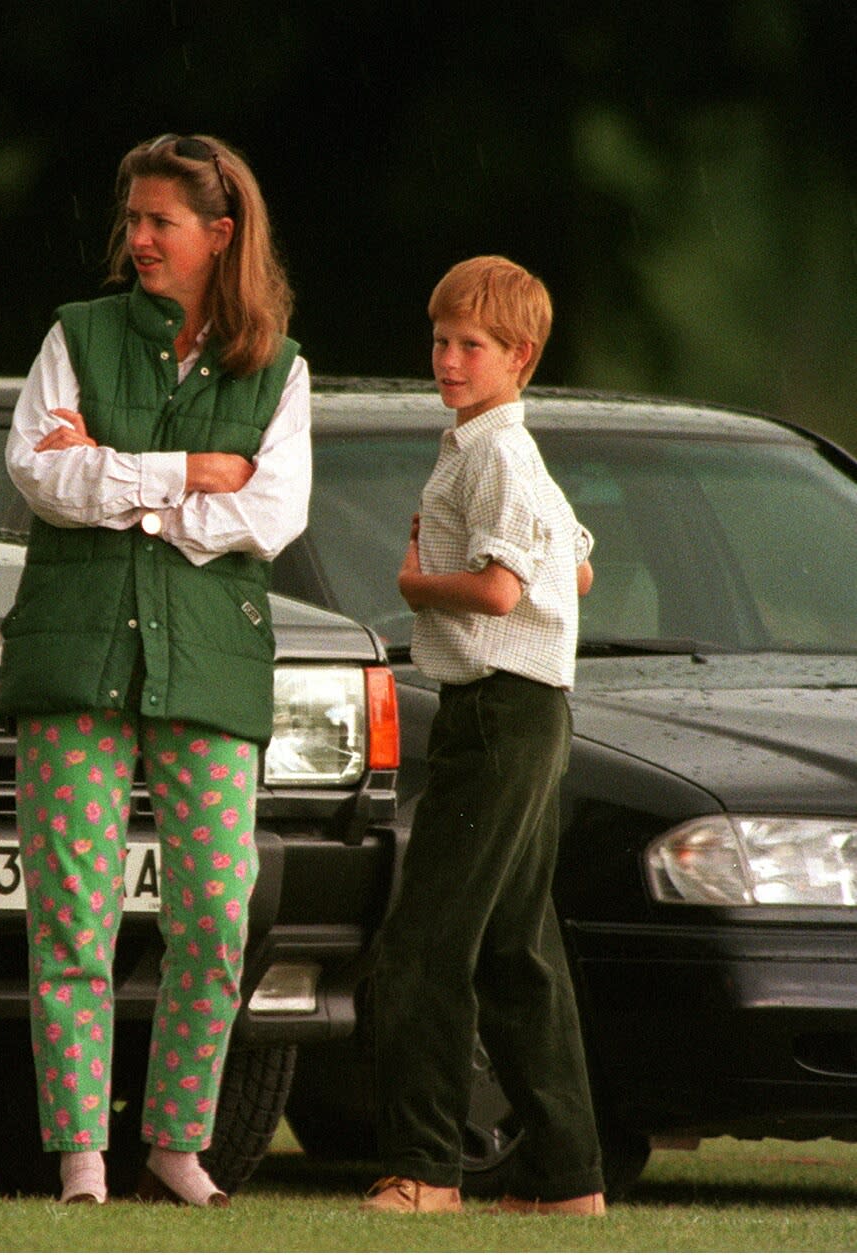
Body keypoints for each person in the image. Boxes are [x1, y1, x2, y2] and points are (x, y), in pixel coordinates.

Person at [0, 133, 311, 1207]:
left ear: (220, 235)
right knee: (71, 918)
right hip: (75, 657)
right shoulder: (76, 335)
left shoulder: (280, 366)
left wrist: (115, 481)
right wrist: (185, 476)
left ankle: (179, 1144)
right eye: (130, 218)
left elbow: (270, 514)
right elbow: (36, 473)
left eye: (158, 222)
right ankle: (81, 1157)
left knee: (218, 917)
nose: (135, 239)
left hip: (211, 666)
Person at [361, 255, 606, 1216]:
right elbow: (575, 570)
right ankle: (565, 1180)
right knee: (513, 947)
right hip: (530, 708)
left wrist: (418, 586)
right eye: (440, 339)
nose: (448, 359)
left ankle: (425, 1170)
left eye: (472, 345)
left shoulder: (495, 454)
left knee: (425, 943)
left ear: (520, 356)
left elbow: (504, 588)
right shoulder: (498, 448)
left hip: (500, 712)